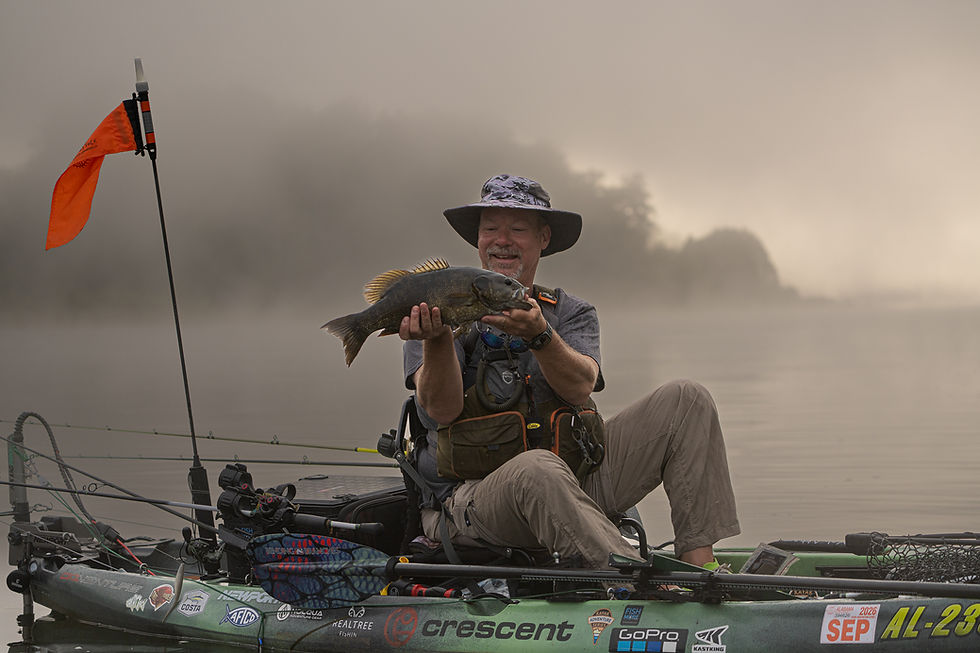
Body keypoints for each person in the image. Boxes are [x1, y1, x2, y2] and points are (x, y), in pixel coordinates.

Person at [399, 174, 739, 570]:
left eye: (518, 229)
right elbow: (441, 411)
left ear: (543, 238)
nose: (502, 239)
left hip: (572, 486)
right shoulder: (440, 307)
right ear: (478, 239)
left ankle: (701, 569)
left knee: (687, 399)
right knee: (536, 468)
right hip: (471, 504)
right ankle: (639, 579)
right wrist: (437, 339)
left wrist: (541, 335)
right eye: (490, 228)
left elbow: (580, 388)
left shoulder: (571, 312)